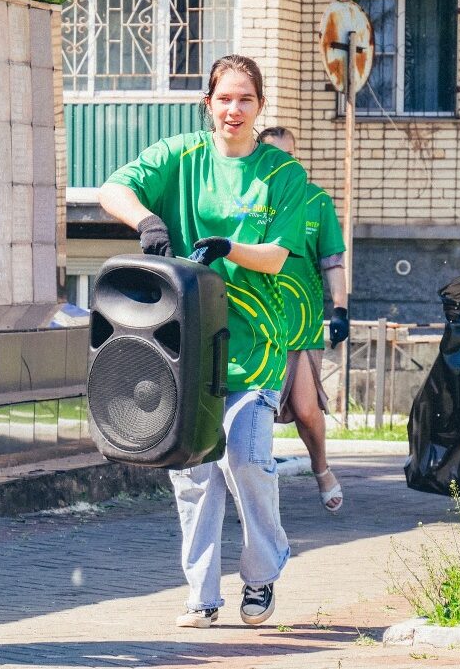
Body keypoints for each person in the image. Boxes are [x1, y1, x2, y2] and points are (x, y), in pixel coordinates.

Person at [98, 55, 305, 629]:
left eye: (245, 99)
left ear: (260, 106)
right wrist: (147, 222)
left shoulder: (282, 175)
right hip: (182, 345)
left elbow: (278, 255)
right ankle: (202, 594)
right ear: (207, 104)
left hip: (254, 341)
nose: (233, 110)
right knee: (192, 472)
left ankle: (263, 572)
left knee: (245, 459)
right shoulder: (180, 156)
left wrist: (228, 248)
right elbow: (113, 189)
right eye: (224, 98)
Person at [258, 127, 349, 513]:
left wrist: (340, 308)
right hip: (258, 323)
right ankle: (258, 492)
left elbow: (332, 260)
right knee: (256, 412)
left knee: (308, 411)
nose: (285, 164)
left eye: (291, 156)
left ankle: (321, 468)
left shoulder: (316, 200)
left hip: (302, 323)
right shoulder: (249, 198)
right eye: (275, 156)